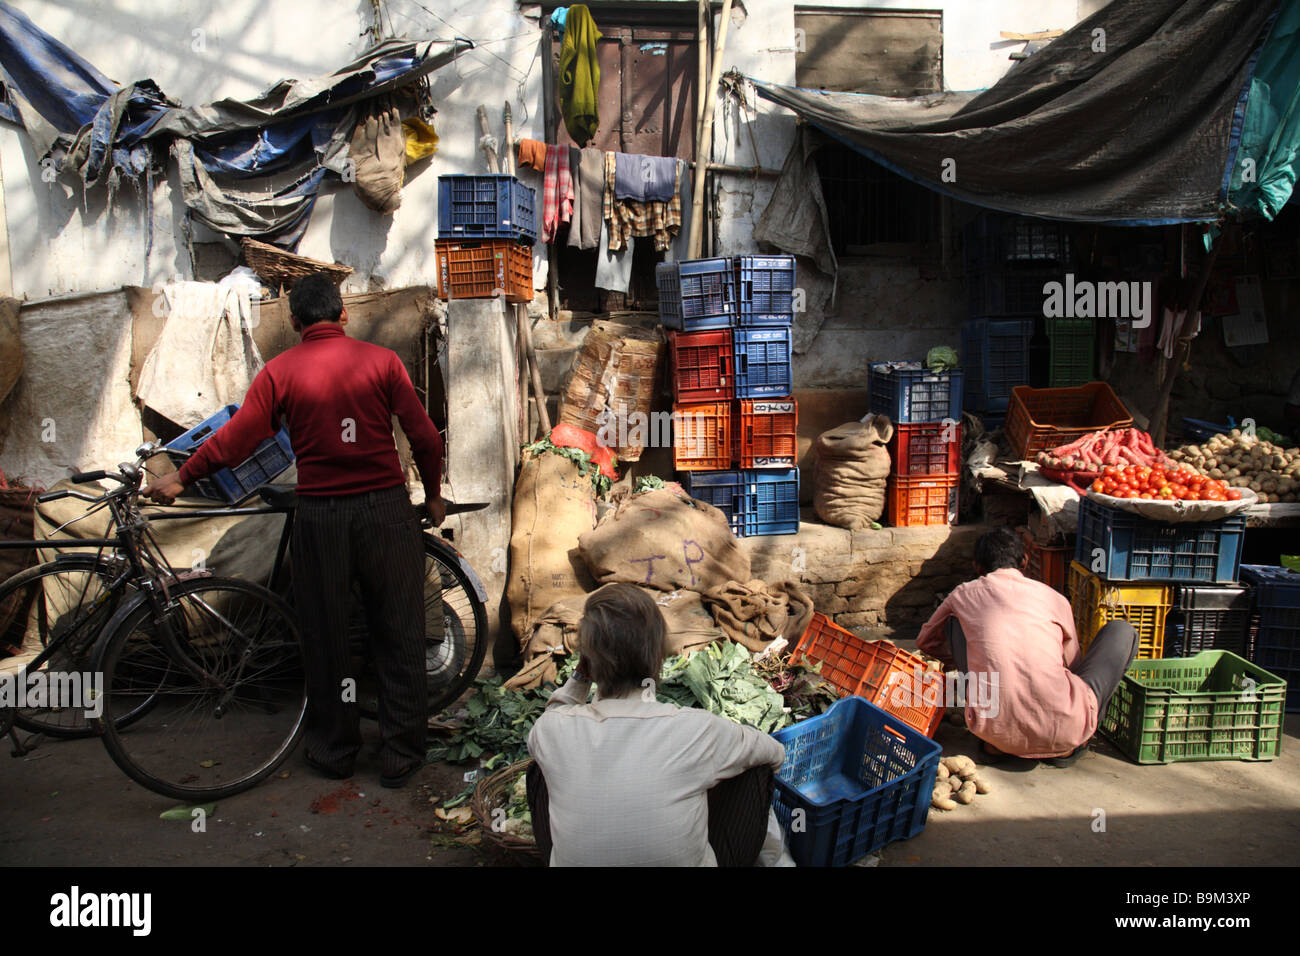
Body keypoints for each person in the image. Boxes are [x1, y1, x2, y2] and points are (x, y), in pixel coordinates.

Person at [142, 274, 445, 788]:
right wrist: (433, 494)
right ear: (342, 315)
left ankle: (335, 751)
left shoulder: (280, 372)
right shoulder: (383, 363)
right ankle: (400, 755)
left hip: (322, 515)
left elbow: (237, 439)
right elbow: (424, 437)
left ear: (298, 324)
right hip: (386, 514)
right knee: (398, 631)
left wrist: (182, 475)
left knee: (326, 637)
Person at [526, 584, 791, 866]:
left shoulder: (551, 731)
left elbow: (555, 712)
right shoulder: (696, 730)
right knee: (754, 770)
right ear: (657, 659)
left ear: (588, 663)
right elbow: (775, 753)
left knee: (539, 770)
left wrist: (580, 677)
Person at [916, 527, 1138, 767]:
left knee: (955, 622)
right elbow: (1072, 663)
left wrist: (961, 664)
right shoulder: (1054, 597)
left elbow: (925, 640)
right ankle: (1077, 735)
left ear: (977, 566)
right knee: (1123, 631)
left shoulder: (963, 593)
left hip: (993, 732)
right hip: (1065, 728)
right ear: (1024, 561)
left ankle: (997, 744)